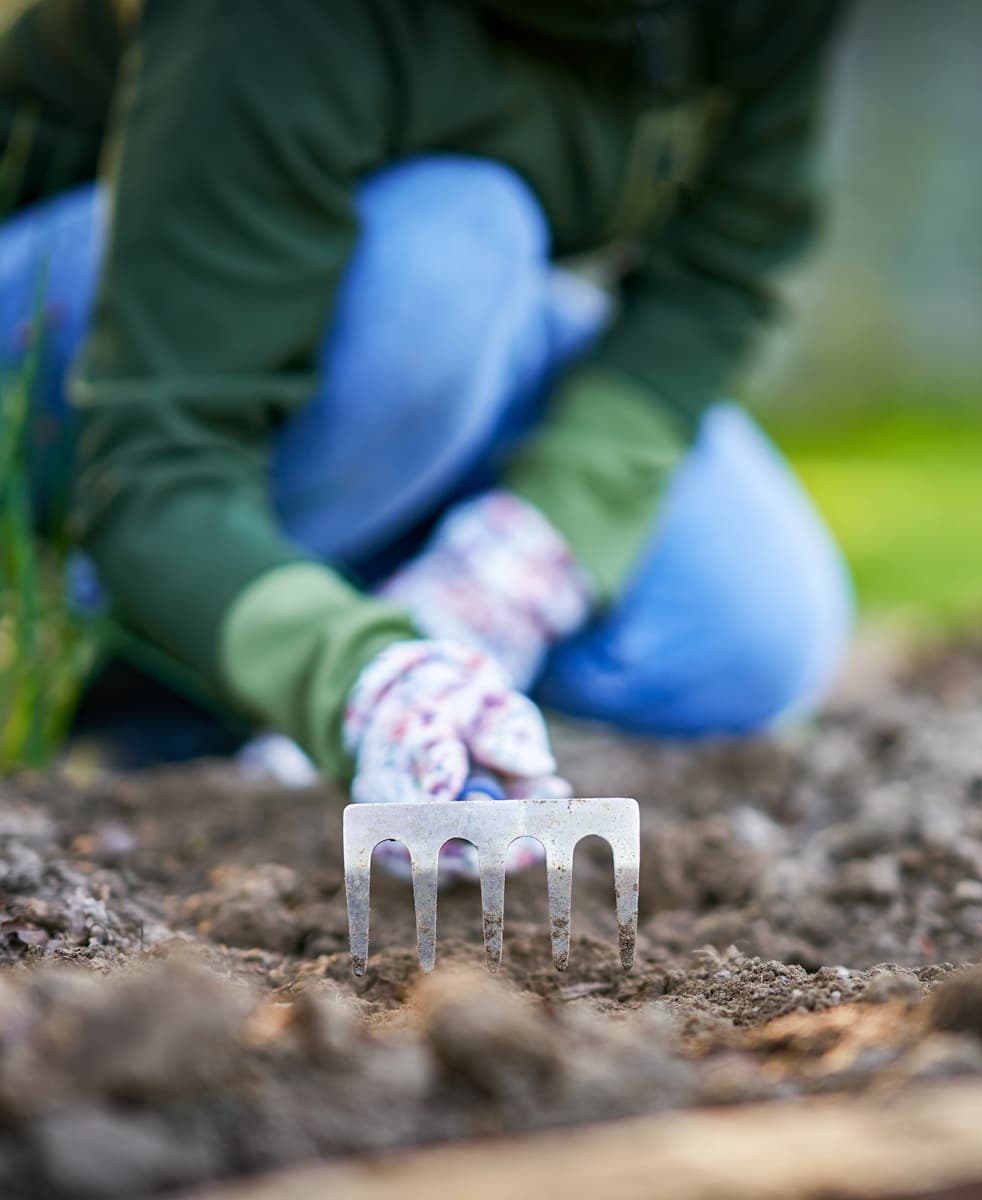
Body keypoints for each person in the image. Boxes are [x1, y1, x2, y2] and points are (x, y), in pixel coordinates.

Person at [2, 0, 853, 831]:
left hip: (425, 313)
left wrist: (523, 562)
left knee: (748, 629)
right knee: (452, 250)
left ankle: (331, 608)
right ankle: (158, 672)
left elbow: (719, 272)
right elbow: (158, 464)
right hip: (92, 346)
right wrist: (349, 671)